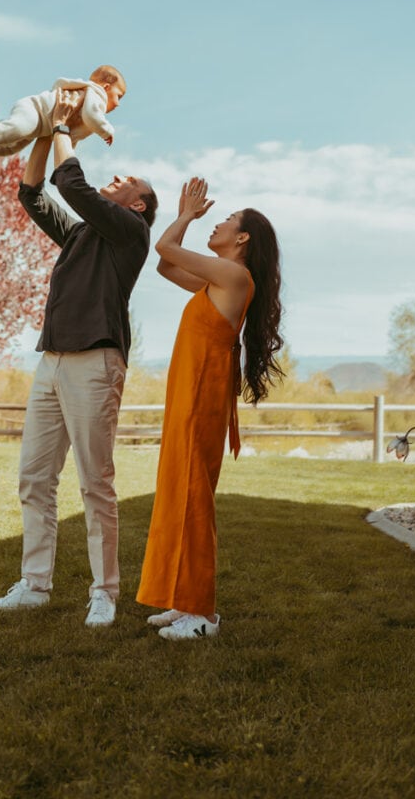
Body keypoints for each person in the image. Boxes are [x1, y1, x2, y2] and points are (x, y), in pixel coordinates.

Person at [0, 89, 157, 627]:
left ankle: (104, 592)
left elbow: (72, 185)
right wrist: (43, 133)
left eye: (128, 181)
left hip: (95, 364)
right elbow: (33, 193)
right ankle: (35, 586)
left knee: (94, 484)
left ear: (137, 205)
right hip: (51, 362)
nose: (119, 176)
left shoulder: (131, 232)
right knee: (35, 479)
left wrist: (62, 127)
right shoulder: (83, 233)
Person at [136, 177, 283, 640]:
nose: (216, 223)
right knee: (178, 491)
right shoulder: (215, 279)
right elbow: (165, 265)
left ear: (242, 238)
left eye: (226, 220)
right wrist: (186, 217)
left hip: (202, 397)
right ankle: (184, 600)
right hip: (188, 393)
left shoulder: (234, 277)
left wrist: (186, 215)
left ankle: (203, 613)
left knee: (193, 497)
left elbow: (164, 245)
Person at [0, 64, 125, 169]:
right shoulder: (96, 94)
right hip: (36, 109)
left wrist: (64, 164)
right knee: (17, 128)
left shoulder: (86, 105)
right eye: (119, 96)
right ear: (106, 87)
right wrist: (106, 131)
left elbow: (69, 140)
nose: (118, 104)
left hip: (41, 124)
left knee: (14, 146)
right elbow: (92, 115)